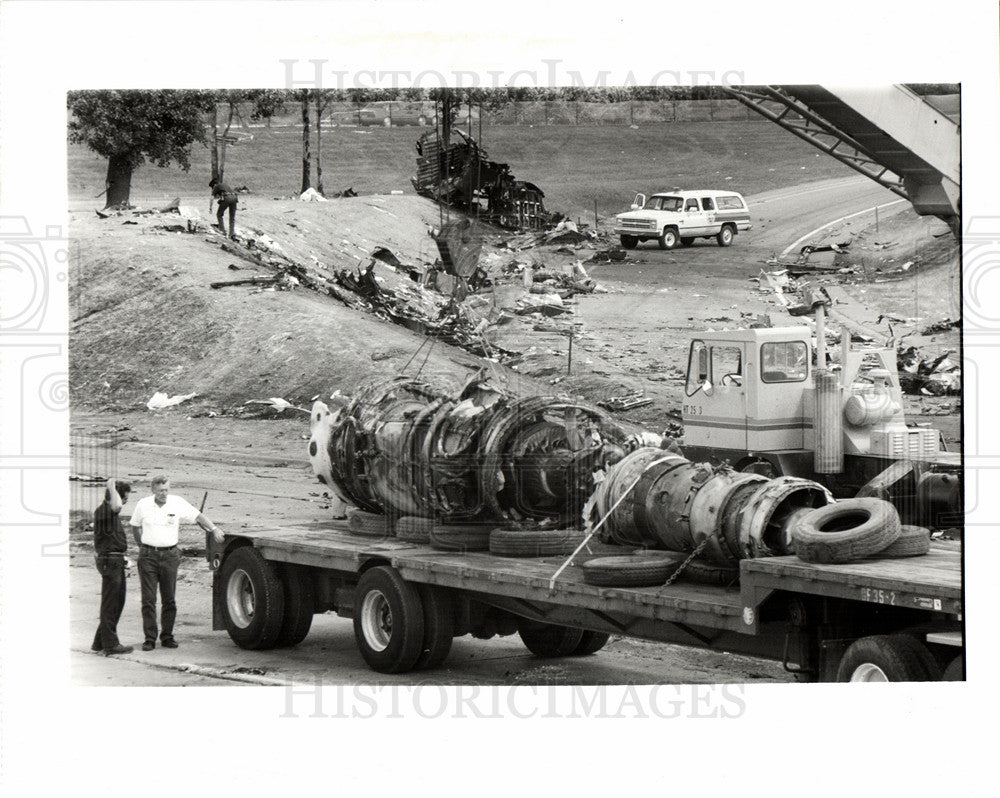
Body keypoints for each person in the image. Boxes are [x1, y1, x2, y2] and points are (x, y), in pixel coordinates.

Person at [129, 475, 223, 651]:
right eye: (160, 491)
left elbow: (198, 516)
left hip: (170, 555)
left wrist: (214, 529)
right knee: (148, 599)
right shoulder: (143, 504)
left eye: (166, 490)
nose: (164, 494)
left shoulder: (177, 502)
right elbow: (135, 526)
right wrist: (142, 545)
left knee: (169, 598)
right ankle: (149, 638)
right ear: (153, 490)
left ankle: (167, 636)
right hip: (148, 556)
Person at [91, 478, 134, 656]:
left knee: (117, 601)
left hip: (115, 560)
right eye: (124, 498)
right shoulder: (105, 511)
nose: (125, 502)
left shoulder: (108, 513)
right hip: (110, 562)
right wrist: (110, 484)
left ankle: (99, 642)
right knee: (111, 603)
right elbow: (116, 506)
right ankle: (110, 644)